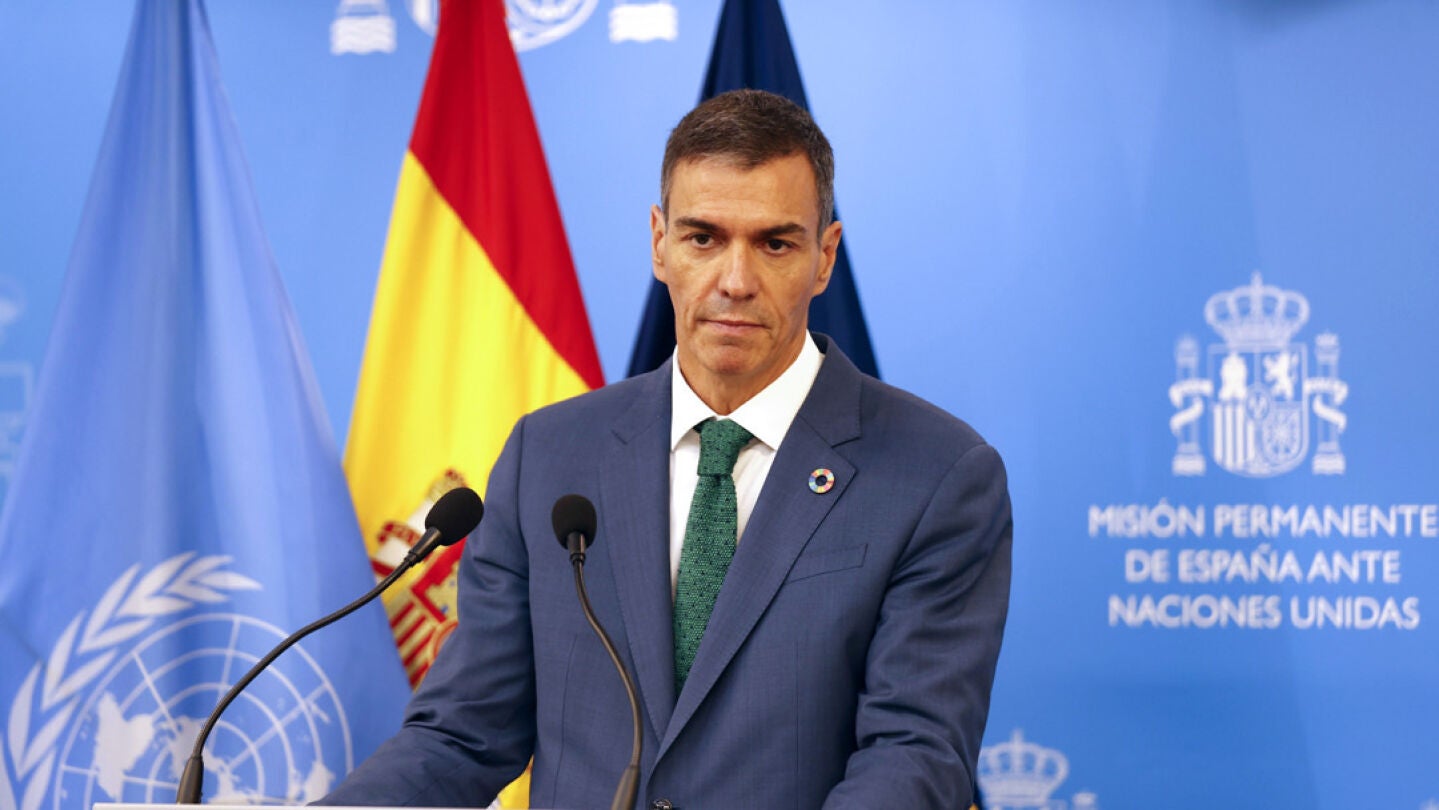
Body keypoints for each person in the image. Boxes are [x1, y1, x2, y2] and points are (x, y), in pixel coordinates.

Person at [319, 89, 1011, 810]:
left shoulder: (935, 476)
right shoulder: (548, 456)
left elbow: (911, 756)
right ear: (659, 243)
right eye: (703, 239)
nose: (735, 282)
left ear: (824, 257)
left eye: (774, 244)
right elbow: (462, 735)